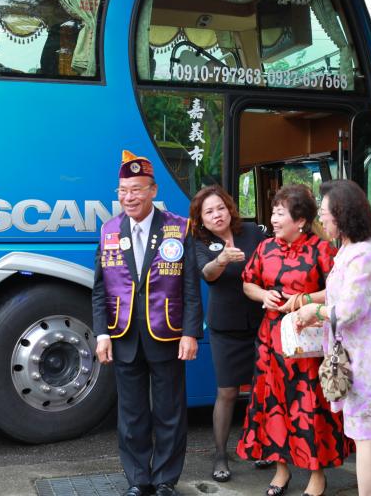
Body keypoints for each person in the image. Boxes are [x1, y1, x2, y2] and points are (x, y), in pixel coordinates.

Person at [92, 150, 203, 496]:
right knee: (132, 414)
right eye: (123, 191)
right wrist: (101, 333)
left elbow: (190, 286)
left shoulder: (178, 227)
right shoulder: (109, 230)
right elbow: (99, 289)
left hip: (166, 333)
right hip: (123, 334)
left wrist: (190, 333)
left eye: (136, 190)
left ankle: (165, 479)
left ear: (153, 190)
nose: (128, 197)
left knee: (169, 412)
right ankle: (138, 479)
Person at [237, 184, 352, 496]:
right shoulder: (265, 248)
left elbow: (337, 291)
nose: (273, 219)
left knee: (308, 405)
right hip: (271, 340)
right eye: (274, 213)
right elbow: (248, 283)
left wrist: (303, 300)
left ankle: (316, 474)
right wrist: (264, 295)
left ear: (300, 221)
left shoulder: (321, 249)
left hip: (307, 340)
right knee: (273, 404)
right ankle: (281, 470)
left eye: (280, 214)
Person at [294, 179, 371, 496]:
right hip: (361, 356)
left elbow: (349, 309)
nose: (321, 218)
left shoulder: (362, 255)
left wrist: (313, 312)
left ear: (342, 214)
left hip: (366, 360)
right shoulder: (351, 250)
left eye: (325, 212)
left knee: (366, 435)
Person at [188, 185, 267, 483]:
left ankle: (262, 447)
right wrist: (221, 260)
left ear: (229, 208)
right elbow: (207, 274)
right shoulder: (200, 241)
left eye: (220, 208)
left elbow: (272, 261)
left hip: (261, 322)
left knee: (262, 388)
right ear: (201, 219)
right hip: (226, 327)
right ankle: (220, 455)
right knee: (227, 391)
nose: (217, 215)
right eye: (209, 212)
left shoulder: (252, 232)